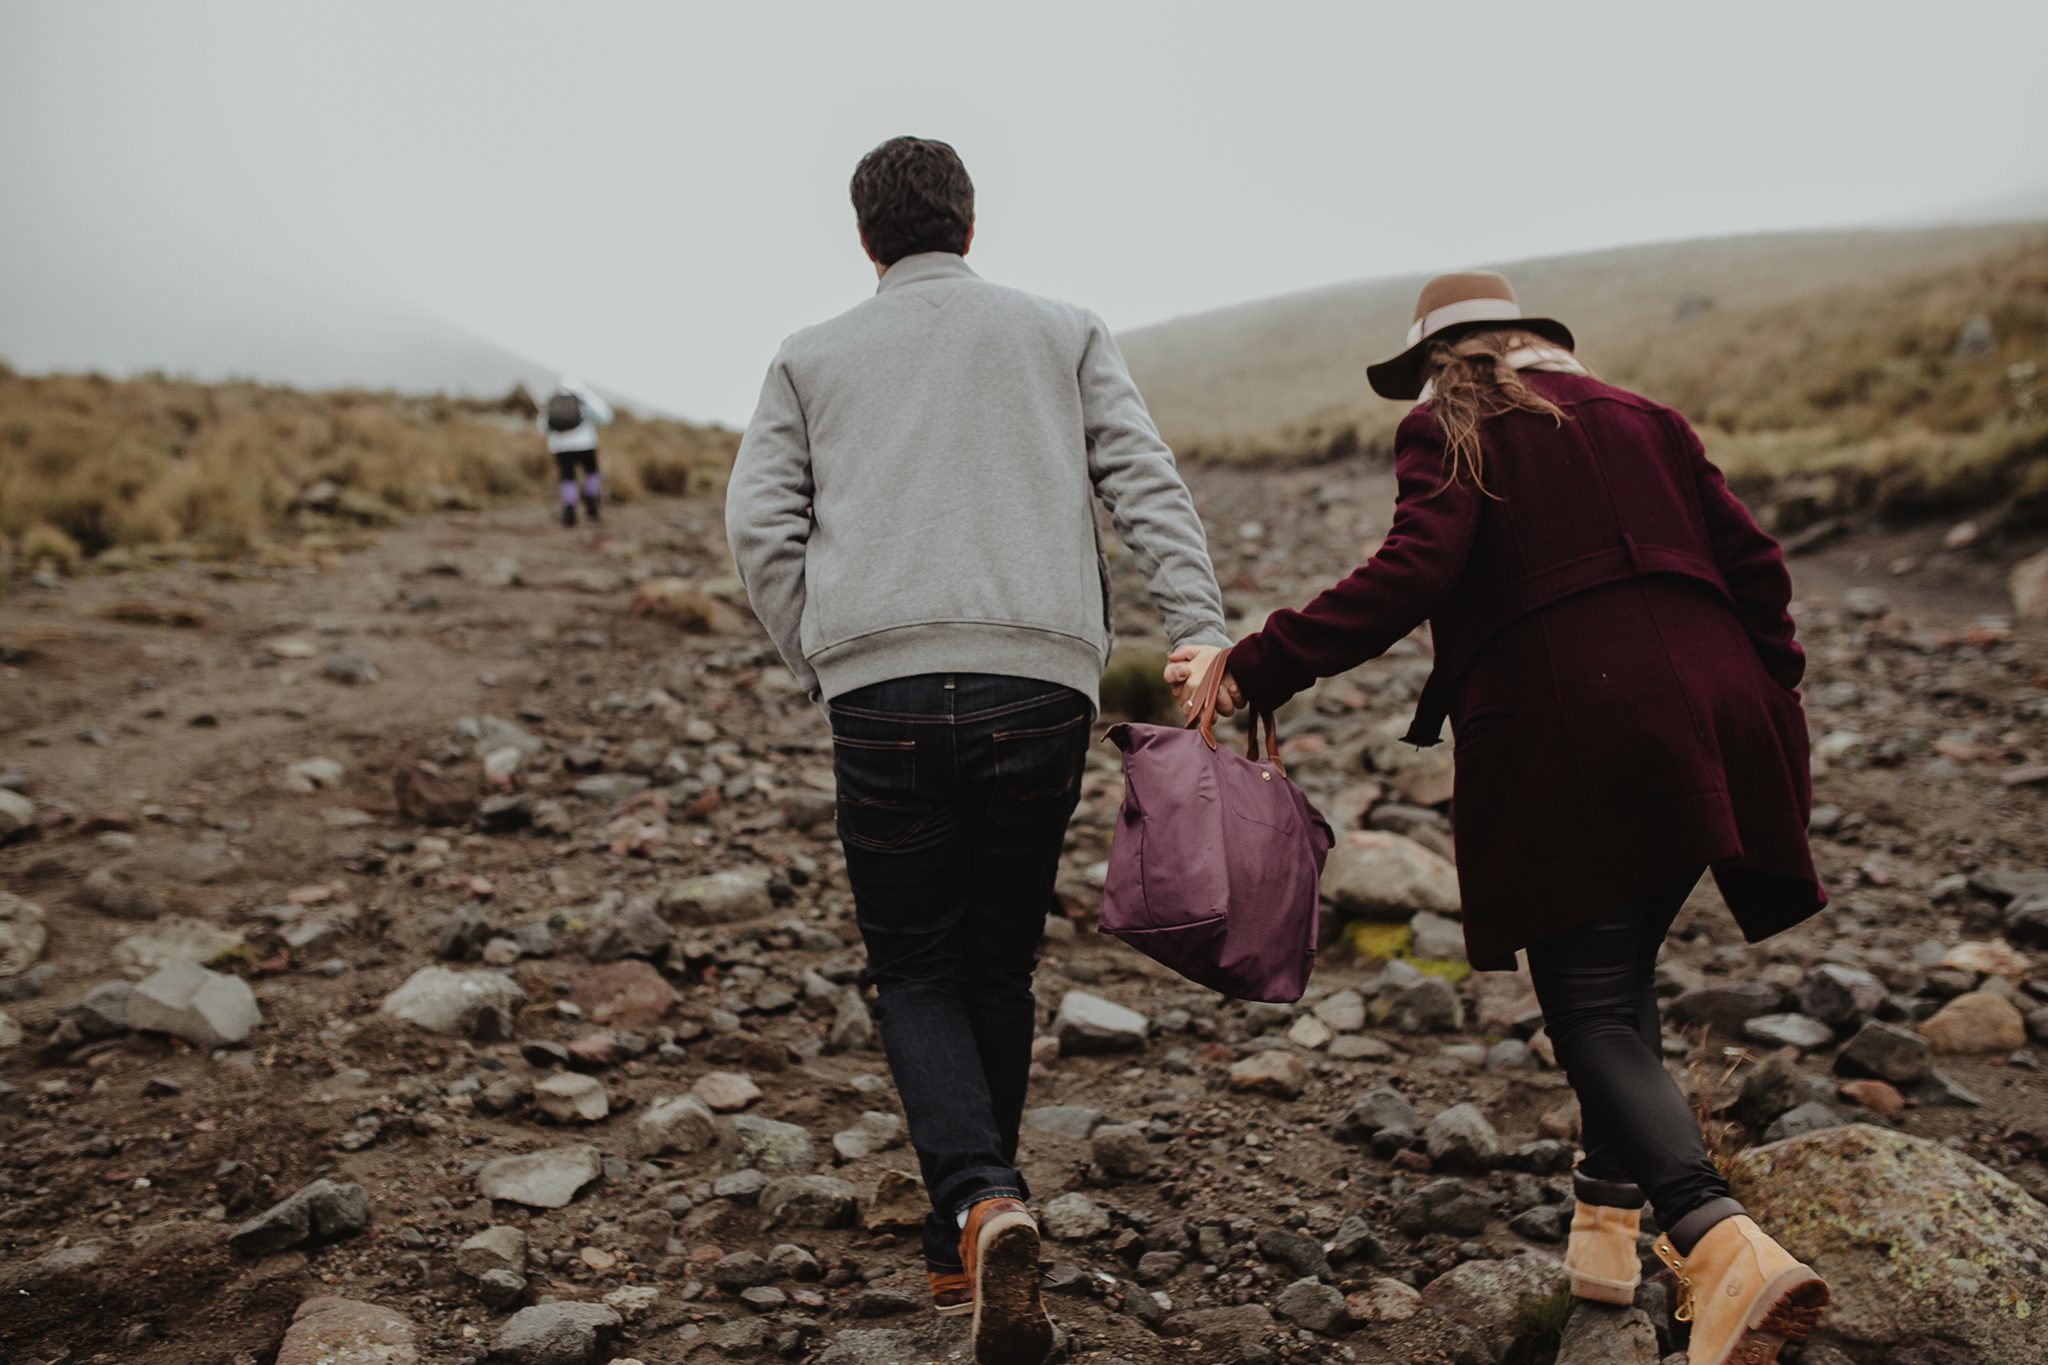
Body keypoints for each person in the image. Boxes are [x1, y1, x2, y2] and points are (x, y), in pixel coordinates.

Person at [1170, 272, 1832, 1365]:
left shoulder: (1449, 421)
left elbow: (1413, 569)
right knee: (1616, 979)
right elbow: (1755, 567)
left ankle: (1721, 1251)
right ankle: (1605, 1242)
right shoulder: (1646, 416)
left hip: (1576, 732)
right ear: (1535, 341)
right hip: (1718, 724)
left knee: (1586, 1009)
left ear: (1437, 359)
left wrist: (1253, 661)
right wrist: (1753, 685)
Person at [725, 136, 1229, 1365]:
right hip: (1037, 685)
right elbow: (1140, 477)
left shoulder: (808, 354)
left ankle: (979, 1205)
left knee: (912, 967)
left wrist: (820, 655)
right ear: (967, 224)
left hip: (881, 693)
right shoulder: (1061, 330)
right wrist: (1200, 624)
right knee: (995, 964)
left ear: (865, 238)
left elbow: (758, 524)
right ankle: (975, 1221)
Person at [538, 375, 613, 527]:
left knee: (567, 478)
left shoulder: (553, 399)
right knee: (591, 472)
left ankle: (569, 512)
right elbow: (605, 418)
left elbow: (542, 427)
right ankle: (592, 505)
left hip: (559, 446)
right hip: (585, 443)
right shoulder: (583, 398)